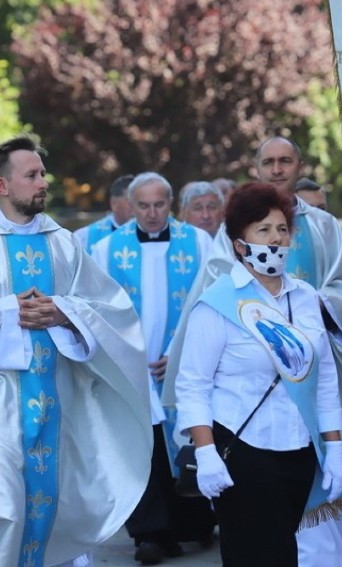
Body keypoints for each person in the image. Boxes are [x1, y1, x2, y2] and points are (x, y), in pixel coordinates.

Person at [0, 134, 152, 567]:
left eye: (43, 173)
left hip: (61, 406)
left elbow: (112, 311)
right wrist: (5, 313)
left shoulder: (64, 243)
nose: (43, 182)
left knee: (55, 510)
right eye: (32, 175)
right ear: (2, 186)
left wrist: (65, 312)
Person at [173, 182, 342, 566]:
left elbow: (324, 379)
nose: (275, 239)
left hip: (298, 450)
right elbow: (192, 384)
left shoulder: (307, 298)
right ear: (238, 242)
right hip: (242, 451)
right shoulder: (216, 304)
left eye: (281, 229)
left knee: (287, 554)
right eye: (263, 230)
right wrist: (206, 452)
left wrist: (332, 448)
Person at [91, 172, 214, 565]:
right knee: (142, 448)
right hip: (132, 367)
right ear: (129, 204)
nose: (152, 213)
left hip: (182, 364)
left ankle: (192, 525)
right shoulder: (108, 249)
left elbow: (209, 300)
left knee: (183, 442)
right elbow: (97, 309)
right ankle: (149, 533)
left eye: (159, 204)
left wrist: (178, 354)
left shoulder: (198, 243)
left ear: (171, 202)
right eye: (143, 205)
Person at [72, 173, 134, 253]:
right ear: (114, 203)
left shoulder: (152, 234)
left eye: (141, 203)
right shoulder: (84, 237)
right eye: (130, 201)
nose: (137, 207)